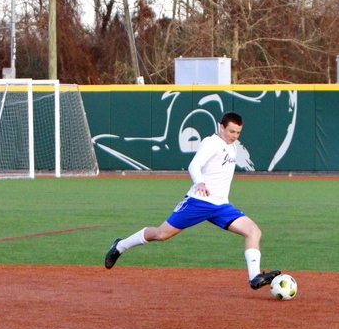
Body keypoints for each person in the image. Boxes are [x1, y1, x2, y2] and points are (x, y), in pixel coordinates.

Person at [104, 111, 281, 289]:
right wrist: (200, 182)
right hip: (198, 202)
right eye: (231, 131)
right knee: (161, 234)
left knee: (253, 231)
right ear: (221, 127)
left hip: (221, 206)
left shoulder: (232, 146)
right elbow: (194, 165)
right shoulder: (211, 143)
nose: (234, 136)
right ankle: (121, 246)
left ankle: (255, 277)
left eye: (238, 132)